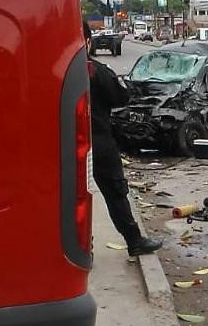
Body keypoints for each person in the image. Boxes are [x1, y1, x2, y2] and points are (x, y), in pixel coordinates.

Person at [84, 23, 163, 257]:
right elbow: (120, 97)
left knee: (70, 197)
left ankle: (79, 245)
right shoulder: (95, 70)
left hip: (66, 144)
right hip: (99, 141)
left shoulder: (55, 70)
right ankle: (134, 240)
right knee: (115, 191)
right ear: (88, 41)